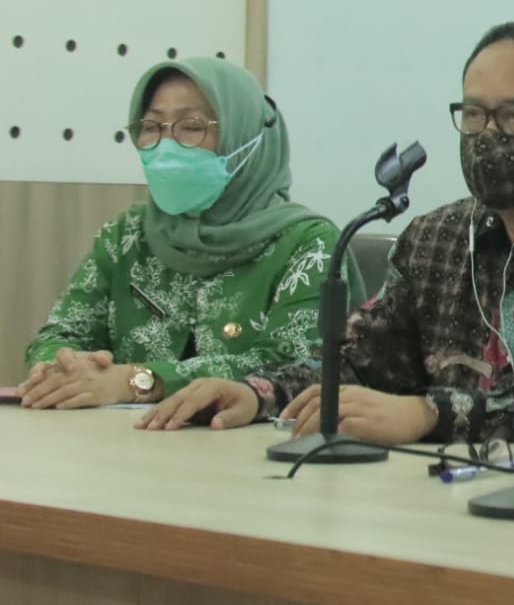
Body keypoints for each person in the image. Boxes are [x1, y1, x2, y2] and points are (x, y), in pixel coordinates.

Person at [139, 21, 514, 445]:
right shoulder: (435, 239)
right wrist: (255, 394)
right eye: (472, 115)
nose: (487, 137)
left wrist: (428, 414)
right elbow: (357, 361)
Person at [21, 58, 347, 409]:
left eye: (191, 127)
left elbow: (296, 367)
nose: (166, 145)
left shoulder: (307, 243)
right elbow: (62, 333)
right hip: (122, 443)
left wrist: (140, 379)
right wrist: (61, 365)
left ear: (247, 137)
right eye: (151, 126)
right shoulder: (127, 235)